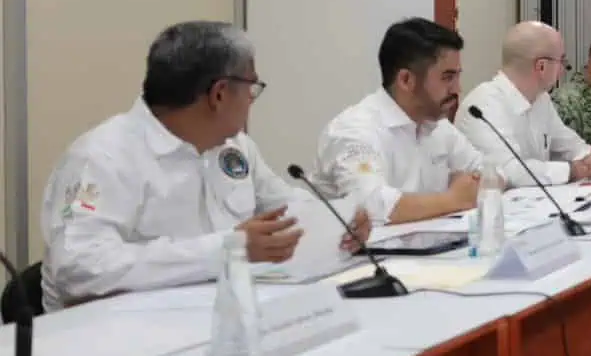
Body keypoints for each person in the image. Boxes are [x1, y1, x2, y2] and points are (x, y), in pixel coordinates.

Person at [40, 21, 362, 309]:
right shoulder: (104, 156)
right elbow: (79, 267)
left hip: (212, 317)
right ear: (219, 94)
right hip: (116, 340)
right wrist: (227, 248)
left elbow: (286, 206)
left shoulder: (234, 147)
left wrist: (342, 219)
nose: (252, 99)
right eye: (251, 87)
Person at [317, 17, 485, 225]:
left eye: (457, 76)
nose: (457, 89)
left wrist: (472, 184)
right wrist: (453, 199)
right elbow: (371, 206)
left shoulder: (437, 126)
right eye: (447, 77)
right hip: (368, 255)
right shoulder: (353, 131)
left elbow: (488, 171)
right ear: (406, 80)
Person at [456, 22, 591, 187]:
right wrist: (576, 170)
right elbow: (508, 172)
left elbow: (573, 147)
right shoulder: (483, 105)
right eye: (562, 61)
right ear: (541, 66)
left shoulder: (541, 99)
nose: (564, 69)